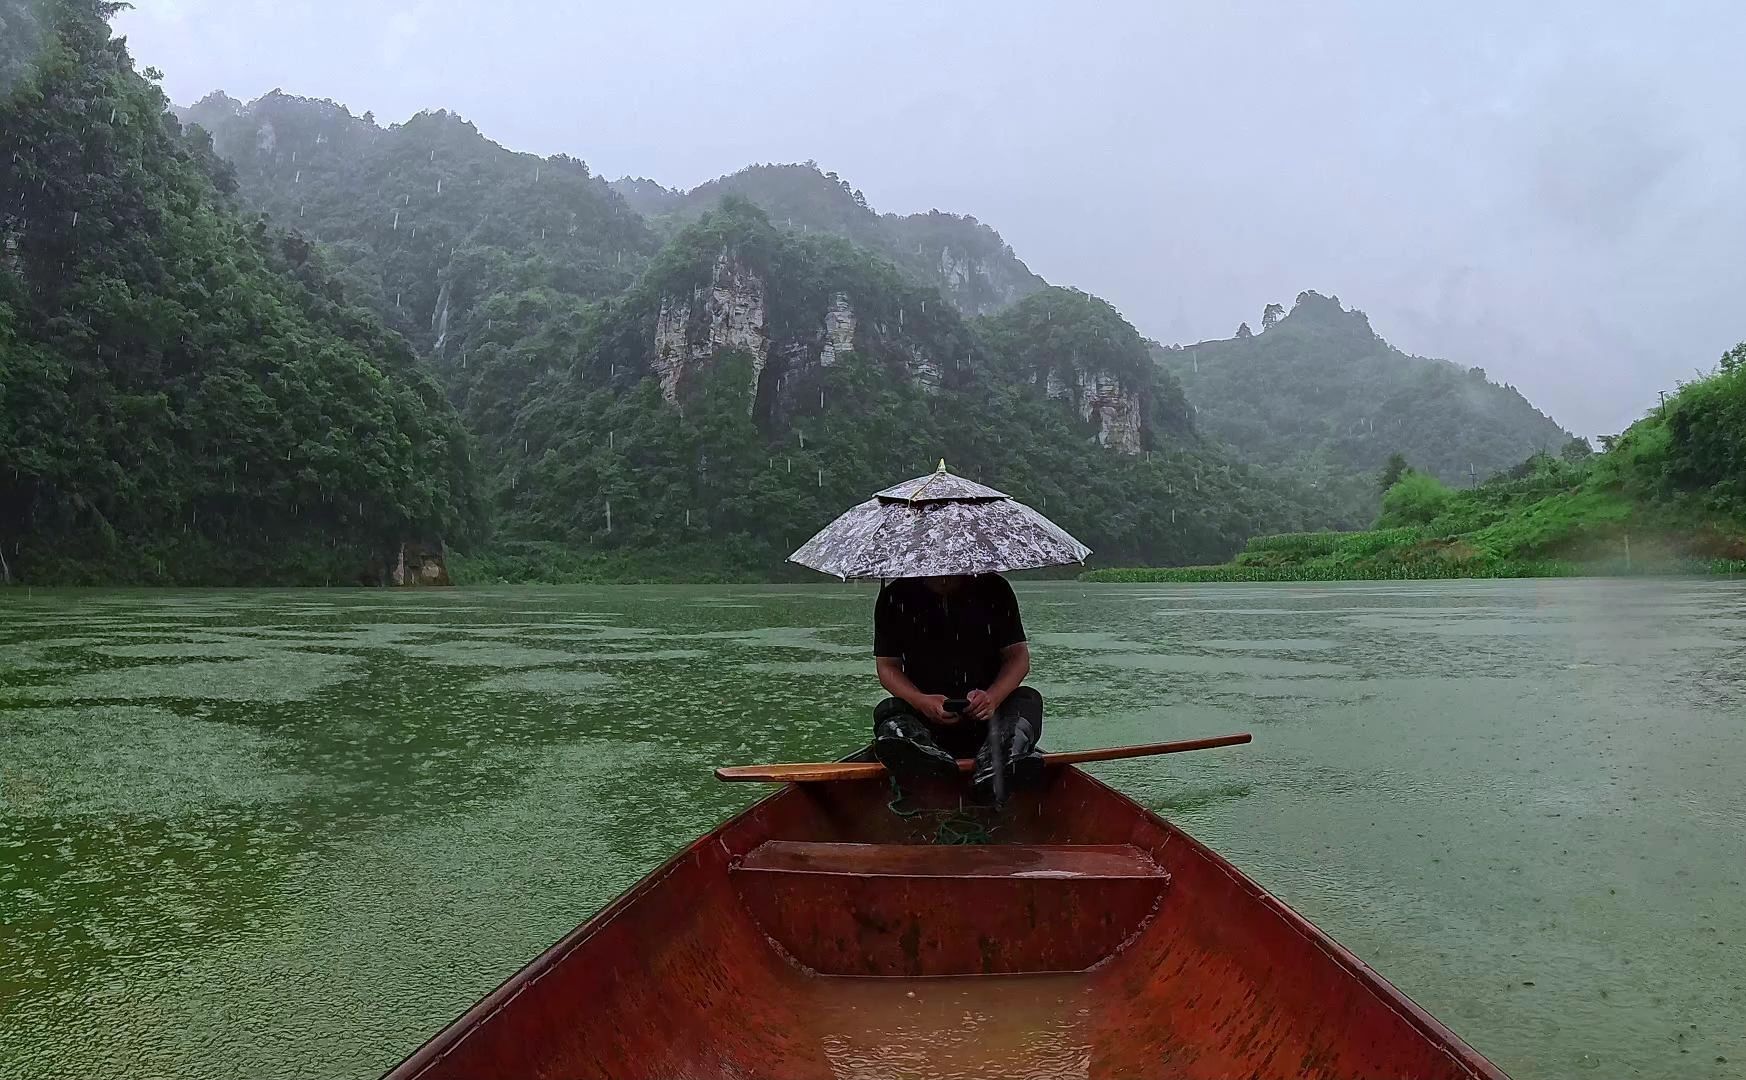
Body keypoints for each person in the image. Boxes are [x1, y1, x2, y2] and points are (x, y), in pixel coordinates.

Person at [871, 573, 1044, 800]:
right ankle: (925, 758)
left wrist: (992, 697)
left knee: (1028, 700)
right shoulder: (894, 596)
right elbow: (887, 668)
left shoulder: (994, 588)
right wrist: (922, 701)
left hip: (990, 724)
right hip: (927, 723)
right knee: (889, 709)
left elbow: (1018, 658)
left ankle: (999, 762)